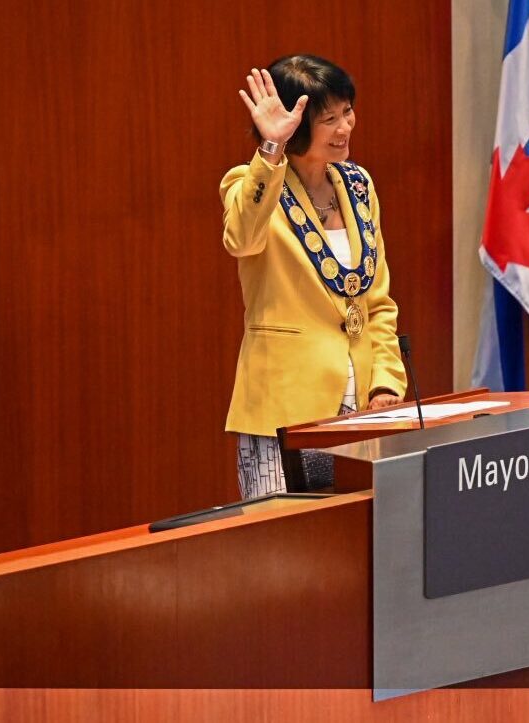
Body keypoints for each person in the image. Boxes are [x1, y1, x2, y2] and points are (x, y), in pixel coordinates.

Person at [221, 55, 407, 499]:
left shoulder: (358, 185)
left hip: (360, 406)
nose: (346, 127)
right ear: (298, 125)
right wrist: (271, 150)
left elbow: (376, 301)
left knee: (356, 544)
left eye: (347, 111)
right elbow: (241, 240)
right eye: (329, 119)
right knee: (283, 551)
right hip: (283, 410)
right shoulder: (250, 183)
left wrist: (385, 382)